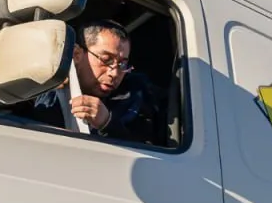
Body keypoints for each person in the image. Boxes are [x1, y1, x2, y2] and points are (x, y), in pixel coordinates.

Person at [12, 19, 162, 144]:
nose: (114, 73)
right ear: (77, 54)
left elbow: (148, 152)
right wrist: (41, 88)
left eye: (122, 64)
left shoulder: (134, 100)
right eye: (106, 60)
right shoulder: (44, 85)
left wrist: (107, 123)